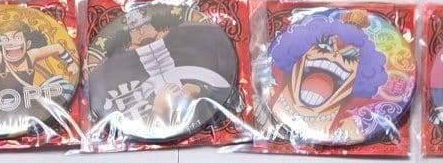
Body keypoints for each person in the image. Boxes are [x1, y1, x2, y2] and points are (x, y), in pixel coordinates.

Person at [87, 9, 236, 131]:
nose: (142, 32)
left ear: (165, 29)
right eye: (135, 31)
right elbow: (122, 118)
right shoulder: (109, 76)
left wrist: (199, 89)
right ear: (127, 46)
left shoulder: (201, 41)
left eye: (146, 26)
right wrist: (158, 109)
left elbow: (223, 87)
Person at [266, 10, 388, 142]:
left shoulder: (351, 129)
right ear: (298, 55)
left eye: (349, 57)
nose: (333, 57)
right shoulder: (268, 91)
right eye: (324, 46)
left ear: (358, 79)